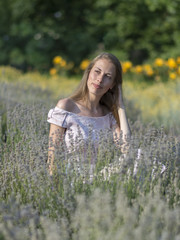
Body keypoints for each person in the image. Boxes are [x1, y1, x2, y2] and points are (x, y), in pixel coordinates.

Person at [47, 52, 131, 175]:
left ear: (112, 85)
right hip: (71, 179)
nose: (100, 79)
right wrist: (55, 190)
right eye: (97, 71)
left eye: (107, 76)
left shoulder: (107, 115)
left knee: (139, 156)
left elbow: (127, 149)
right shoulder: (66, 107)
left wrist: (120, 106)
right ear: (88, 72)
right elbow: (52, 159)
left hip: (99, 179)